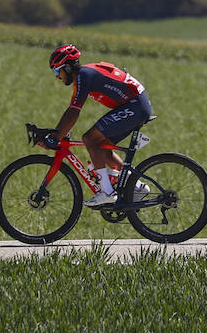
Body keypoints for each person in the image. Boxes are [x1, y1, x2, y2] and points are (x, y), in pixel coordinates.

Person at [46, 44, 153, 209]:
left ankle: (107, 192)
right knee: (102, 147)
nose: (57, 77)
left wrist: (55, 137)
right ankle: (137, 187)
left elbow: (73, 111)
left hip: (135, 106)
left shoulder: (83, 76)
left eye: (56, 71)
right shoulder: (82, 76)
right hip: (135, 105)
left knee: (90, 138)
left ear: (67, 68)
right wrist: (58, 133)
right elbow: (72, 111)